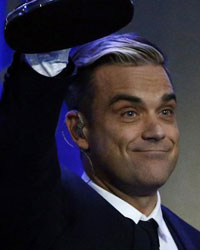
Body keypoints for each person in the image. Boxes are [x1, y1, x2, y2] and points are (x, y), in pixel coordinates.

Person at [1, 33, 200, 250]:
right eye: (130, 113)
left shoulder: (192, 240)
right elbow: (24, 156)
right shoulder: (42, 221)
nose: (157, 131)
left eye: (165, 111)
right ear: (79, 130)